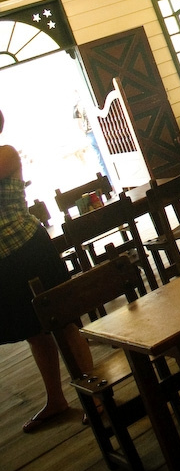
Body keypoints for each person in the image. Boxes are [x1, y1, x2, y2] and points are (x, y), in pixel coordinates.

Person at [0, 108, 93, 433]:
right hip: (4, 262)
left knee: (64, 322)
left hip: (30, 249)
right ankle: (56, 400)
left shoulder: (6, 153)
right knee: (34, 333)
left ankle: (93, 396)